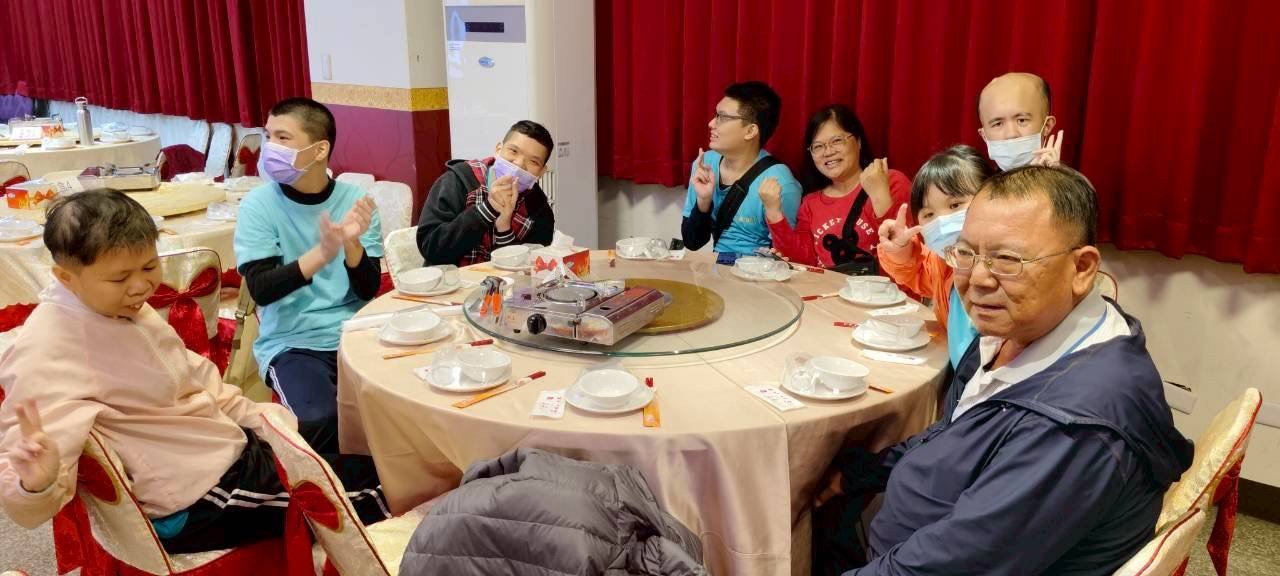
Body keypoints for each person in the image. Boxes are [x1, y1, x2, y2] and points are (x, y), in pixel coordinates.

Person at [814, 166, 1193, 575]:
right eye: (964, 253)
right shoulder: (1030, 328)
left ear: (1082, 269)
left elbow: (953, 564)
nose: (977, 279)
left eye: (1008, 259)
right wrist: (857, 475)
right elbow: (954, 433)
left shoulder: (1071, 428)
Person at [0, 190, 388, 554]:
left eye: (149, 266)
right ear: (65, 278)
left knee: (361, 447)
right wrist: (35, 485)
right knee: (387, 487)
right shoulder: (47, 351)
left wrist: (270, 424)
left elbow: (196, 377)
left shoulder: (118, 307)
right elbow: (21, 479)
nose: (141, 286)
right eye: (120, 278)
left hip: (218, 447)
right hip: (198, 497)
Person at [235, 97, 383, 454]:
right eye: (268, 136)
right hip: (293, 342)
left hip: (355, 335)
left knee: (399, 406)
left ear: (319, 150)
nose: (270, 147)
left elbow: (367, 290)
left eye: (283, 138)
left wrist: (351, 245)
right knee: (320, 420)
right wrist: (322, 253)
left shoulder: (356, 200)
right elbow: (262, 289)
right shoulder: (258, 205)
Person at [876, 145, 992, 368]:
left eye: (955, 205)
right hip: (961, 375)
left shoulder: (1008, 267)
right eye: (929, 214)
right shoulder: (942, 263)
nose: (941, 221)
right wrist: (901, 250)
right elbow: (917, 271)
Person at [762, 105, 909, 270]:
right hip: (826, 287)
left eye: (837, 141)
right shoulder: (810, 203)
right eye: (818, 146)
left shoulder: (890, 181)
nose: (828, 152)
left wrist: (880, 194)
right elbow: (802, 263)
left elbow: (907, 252)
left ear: (858, 142)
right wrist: (773, 211)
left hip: (882, 286)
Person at [681, 81, 802, 263]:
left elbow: (787, 259)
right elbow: (693, 242)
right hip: (718, 268)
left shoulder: (781, 182)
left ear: (750, 131)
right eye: (715, 115)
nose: (711, 123)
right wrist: (703, 202)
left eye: (722, 117)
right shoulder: (705, 164)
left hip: (758, 273)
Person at [417, 120, 555, 266]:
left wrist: (504, 227)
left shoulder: (539, 211)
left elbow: (527, 270)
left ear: (542, 172)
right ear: (498, 150)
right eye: (513, 151)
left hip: (503, 281)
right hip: (450, 279)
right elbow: (430, 248)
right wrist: (487, 209)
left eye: (533, 162)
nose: (519, 164)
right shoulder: (457, 181)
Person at [978, 72, 1064, 170]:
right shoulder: (973, 179)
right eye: (998, 124)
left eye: (1021, 120)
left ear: (1047, 126)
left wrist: (1054, 177)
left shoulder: (1068, 180)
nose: (1011, 134)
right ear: (984, 136)